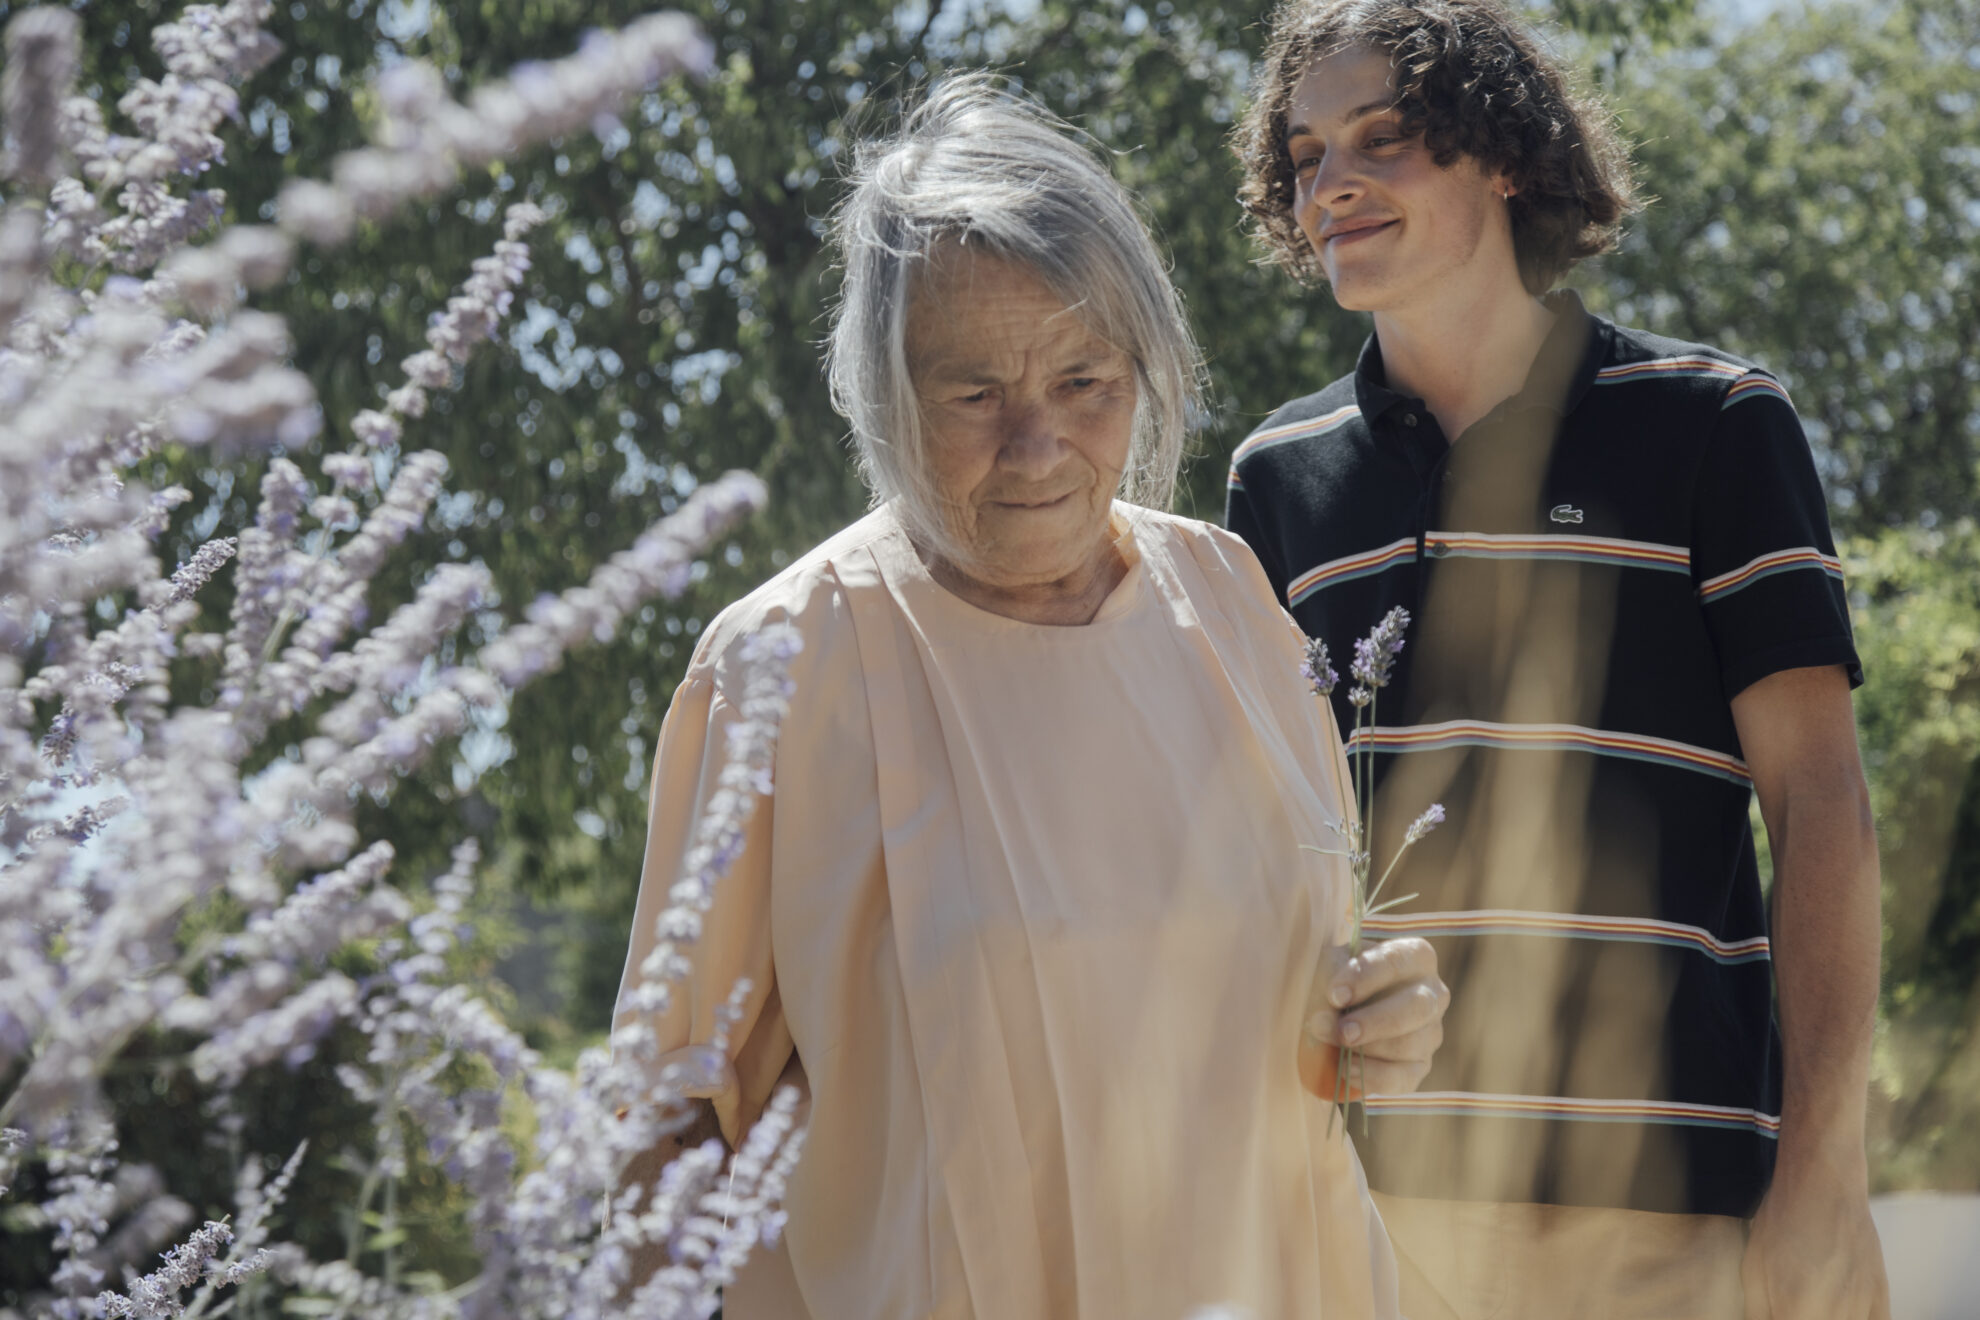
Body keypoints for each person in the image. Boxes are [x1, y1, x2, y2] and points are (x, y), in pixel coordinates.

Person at [613, 76, 1448, 1319]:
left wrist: (1396, 1018)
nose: (1038, 445)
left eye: (1087, 382)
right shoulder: (779, 667)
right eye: (973, 395)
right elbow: (661, 1133)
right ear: (882, 388)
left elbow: (1321, 982)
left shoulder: (1229, 603)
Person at [1224, 3, 1888, 1317]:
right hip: (1371, 1225)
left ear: (1506, 156)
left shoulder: (1715, 426)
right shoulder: (1275, 483)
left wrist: (1823, 1168)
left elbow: (1821, 809)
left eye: (1384, 138)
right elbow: (1264, 864)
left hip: (1677, 1219)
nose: (1331, 184)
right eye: (1305, 156)